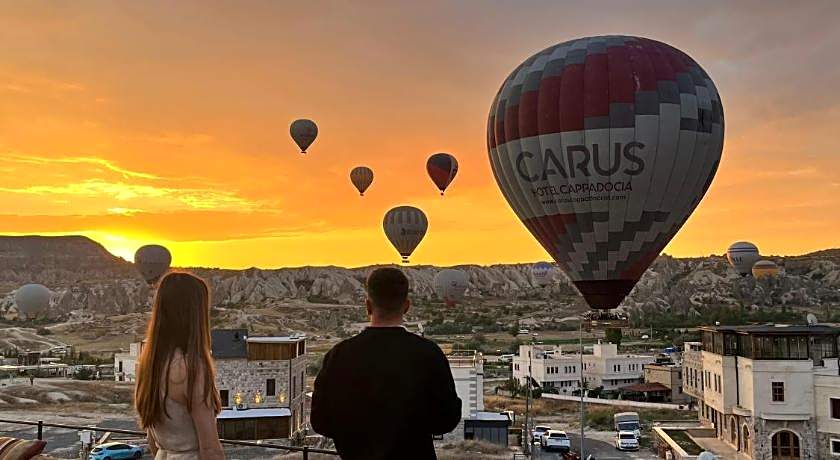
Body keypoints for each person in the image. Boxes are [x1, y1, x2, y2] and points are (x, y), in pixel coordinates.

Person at [311, 267, 462, 460]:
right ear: (407, 306)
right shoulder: (428, 354)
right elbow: (446, 420)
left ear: (368, 306)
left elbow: (320, 421)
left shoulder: (339, 355)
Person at [134, 272, 224, 460]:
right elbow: (210, 449)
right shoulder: (190, 369)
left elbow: (151, 436)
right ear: (194, 314)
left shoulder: (149, 363)